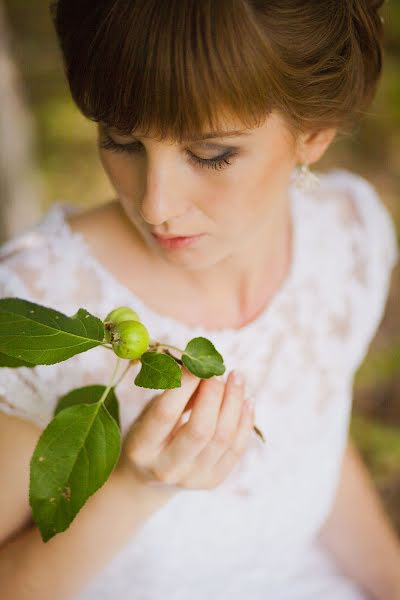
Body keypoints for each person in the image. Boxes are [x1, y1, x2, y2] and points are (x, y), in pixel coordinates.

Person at [0, 1, 399, 598]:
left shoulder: (343, 236)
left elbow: (315, 446)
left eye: (211, 154)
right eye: (121, 140)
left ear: (311, 135)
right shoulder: (39, 309)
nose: (156, 205)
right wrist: (137, 486)